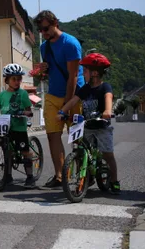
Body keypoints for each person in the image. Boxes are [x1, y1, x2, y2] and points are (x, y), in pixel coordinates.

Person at [34, 10, 85, 188]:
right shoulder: (44, 47)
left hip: (74, 96)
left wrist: (67, 104)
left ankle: (82, 175)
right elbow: (49, 73)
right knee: (52, 136)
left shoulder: (70, 44)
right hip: (52, 95)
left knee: (76, 137)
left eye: (46, 28)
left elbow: (72, 77)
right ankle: (60, 176)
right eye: (40, 30)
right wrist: (44, 70)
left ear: (55, 22)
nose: (44, 33)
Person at [56, 53, 120, 194]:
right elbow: (74, 100)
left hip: (102, 126)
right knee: (79, 148)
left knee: (108, 155)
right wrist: (62, 111)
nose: (82, 73)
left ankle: (114, 181)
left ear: (95, 73)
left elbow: (108, 97)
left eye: (85, 71)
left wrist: (108, 110)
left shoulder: (105, 87)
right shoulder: (85, 88)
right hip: (87, 126)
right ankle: (86, 176)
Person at [0, 64, 35, 188]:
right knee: (7, 151)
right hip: (6, 127)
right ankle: (7, 176)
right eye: (14, 79)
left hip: (19, 128)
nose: (17, 81)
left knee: (25, 151)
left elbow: (28, 110)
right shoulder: (2, 95)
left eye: (19, 79)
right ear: (7, 80)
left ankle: (30, 177)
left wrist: (26, 112)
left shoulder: (23, 94)